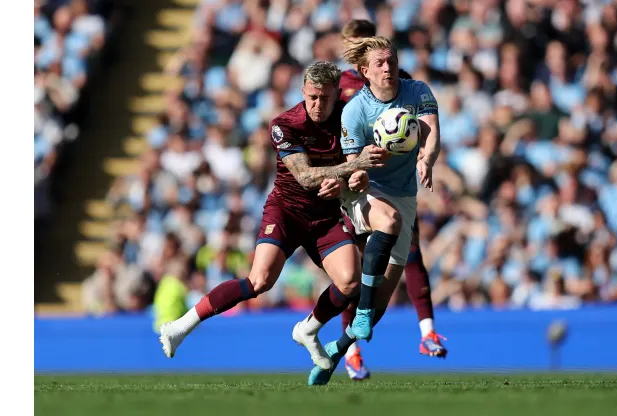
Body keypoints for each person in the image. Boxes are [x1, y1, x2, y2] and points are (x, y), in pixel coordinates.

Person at [158, 61, 388, 371]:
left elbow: (356, 171)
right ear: (303, 92)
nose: (318, 105)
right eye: (312, 97)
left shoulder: (350, 117)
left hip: (325, 216)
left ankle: (308, 329)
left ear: (338, 95)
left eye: (325, 98)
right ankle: (179, 327)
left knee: (350, 282)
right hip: (287, 212)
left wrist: (354, 177)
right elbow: (305, 177)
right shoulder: (285, 124)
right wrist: (350, 168)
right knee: (260, 280)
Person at [307, 36, 443, 385]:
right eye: (380, 63)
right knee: (389, 220)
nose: (388, 67)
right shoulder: (355, 110)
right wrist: (360, 172)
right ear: (364, 71)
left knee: (384, 297)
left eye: (392, 60)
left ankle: (337, 351)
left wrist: (426, 160)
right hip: (364, 193)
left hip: (404, 195)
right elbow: (353, 168)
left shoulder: (418, 92)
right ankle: (361, 311)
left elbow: (431, 134)